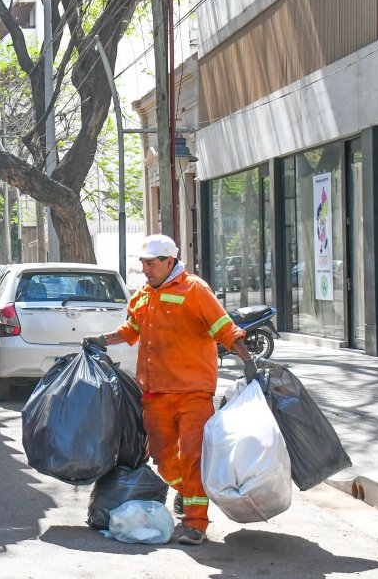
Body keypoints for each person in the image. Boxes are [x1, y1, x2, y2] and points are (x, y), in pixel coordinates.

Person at [83, 234, 255, 546]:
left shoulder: (194, 289)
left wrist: (248, 360)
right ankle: (188, 492)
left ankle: (195, 523)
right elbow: (130, 330)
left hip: (193, 392)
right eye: (143, 264)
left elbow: (223, 328)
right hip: (155, 393)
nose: (145, 269)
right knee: (162, 458)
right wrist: (101, 339)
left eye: (151, 264)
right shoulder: (143, 295)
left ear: (169, 261)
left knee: (192, 456)